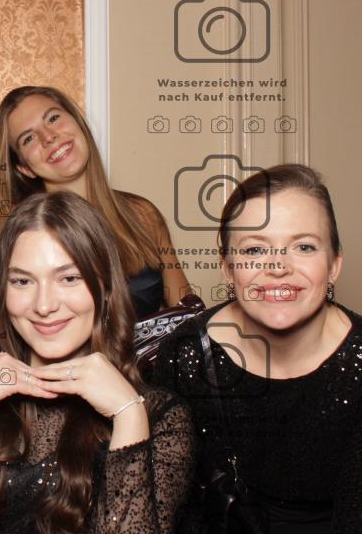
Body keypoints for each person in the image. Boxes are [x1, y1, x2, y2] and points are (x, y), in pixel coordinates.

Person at [0, 191, 195, 532]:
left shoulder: (161, 415)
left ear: (105, 287)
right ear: (1, 291)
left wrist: (128, 414)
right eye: (22, 281)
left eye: (68, 278)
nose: (44, 305)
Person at [145, 165, 361, 533]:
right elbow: (169, 506)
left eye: (304, 246)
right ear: (227, 268)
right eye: (255, 249)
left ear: (334, 264)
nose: (278, 267)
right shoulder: (186, 356)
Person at [0, 86, 191, 317]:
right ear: (24, 168)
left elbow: (188, 314)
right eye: (29, 138)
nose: (49, 137)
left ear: (78, 123)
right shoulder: (23, 234)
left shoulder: (144, 215)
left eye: (53, 118)